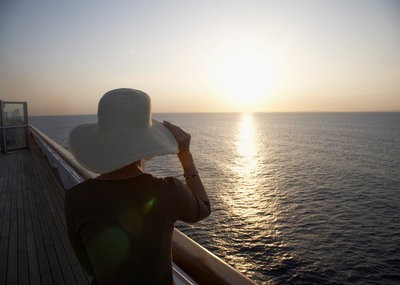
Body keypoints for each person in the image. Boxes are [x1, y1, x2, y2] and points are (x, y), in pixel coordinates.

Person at [64, 88, 211, 285]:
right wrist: (185, 156)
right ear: (146, 141)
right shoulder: (168, 191)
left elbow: (90, 267)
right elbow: (203, 208)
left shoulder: (76, 198)